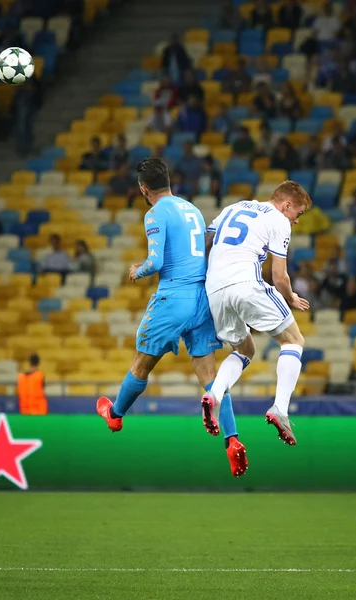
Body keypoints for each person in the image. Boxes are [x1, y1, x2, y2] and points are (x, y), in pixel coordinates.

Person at [97, 158, 247, 478]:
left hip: (174, 296)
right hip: (202, 297)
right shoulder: (191, 208)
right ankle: (231, 439)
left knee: (141, 365)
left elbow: (155, 260)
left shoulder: (155, 213)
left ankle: (116, 414)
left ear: (143, 189)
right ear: (169, 181)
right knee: (210, 377)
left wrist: (138, 271)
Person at [203, 180, 312, 446]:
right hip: (246, 282)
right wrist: (291, 297)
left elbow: (208, 239)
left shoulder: (235, 206)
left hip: (215, 288)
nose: (296, 221)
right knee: (294, 340)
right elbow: (279, 276)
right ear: (286, 205)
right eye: (297, 213)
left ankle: (214, 395)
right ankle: (281, 409)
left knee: (244, 350)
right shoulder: (279, 220)